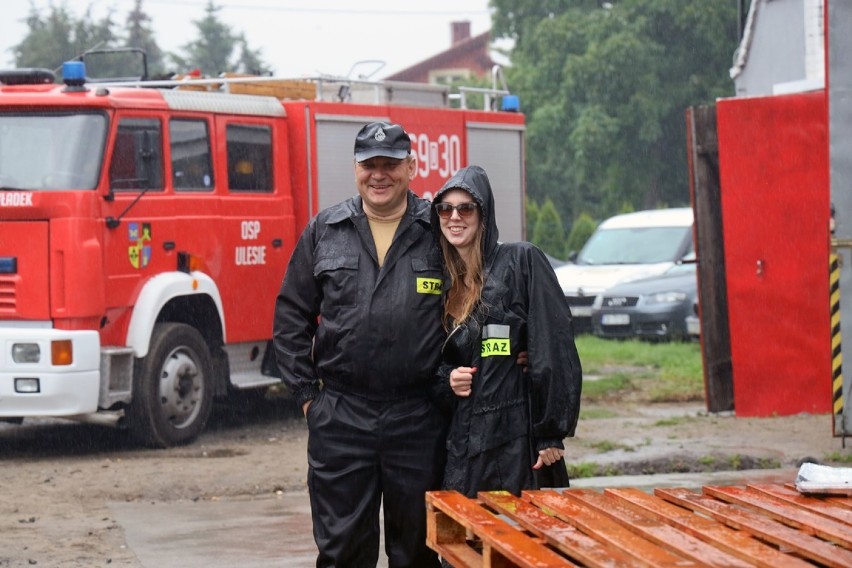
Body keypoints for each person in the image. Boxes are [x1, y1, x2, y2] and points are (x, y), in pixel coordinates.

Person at [272, 121, 447, 567]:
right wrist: (309, 398)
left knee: (419, 551)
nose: (380, 174)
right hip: (342, 418)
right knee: (342, 551)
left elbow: (478, 302)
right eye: (370, 164)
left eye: (391, 164)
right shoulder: (326, 230)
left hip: (419, 418)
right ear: (356, 169)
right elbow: (291, 314)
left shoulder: (439, 230)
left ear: (411, 166)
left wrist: (510, 351)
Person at [430, 165, 582, 498]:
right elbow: (428, 361)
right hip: (463, 442)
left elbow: (554, 346)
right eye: (445, 208)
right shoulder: (440, 282)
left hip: (518, 439)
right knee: (467, 541)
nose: (454, 216)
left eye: (466, 207)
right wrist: (448, 379)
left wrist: (550, 433)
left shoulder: (521, 262)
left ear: (484, 214)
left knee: (524, 541)